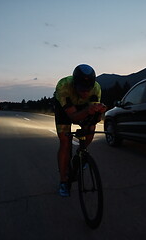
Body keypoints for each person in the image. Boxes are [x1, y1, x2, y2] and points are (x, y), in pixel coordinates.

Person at [54, 64, 107, 197]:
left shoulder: (96, 88)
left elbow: (95, 119)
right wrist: (87, 110)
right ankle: (63, 181)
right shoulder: (64, 85)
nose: (85, 93)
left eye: (87, 89)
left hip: (83, 106)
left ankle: (80, 155)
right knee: (65, 143)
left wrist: (99, 112)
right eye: (81, 89)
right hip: (64, 110)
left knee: (90, 127)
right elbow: (72, 116)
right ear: (74, 84)